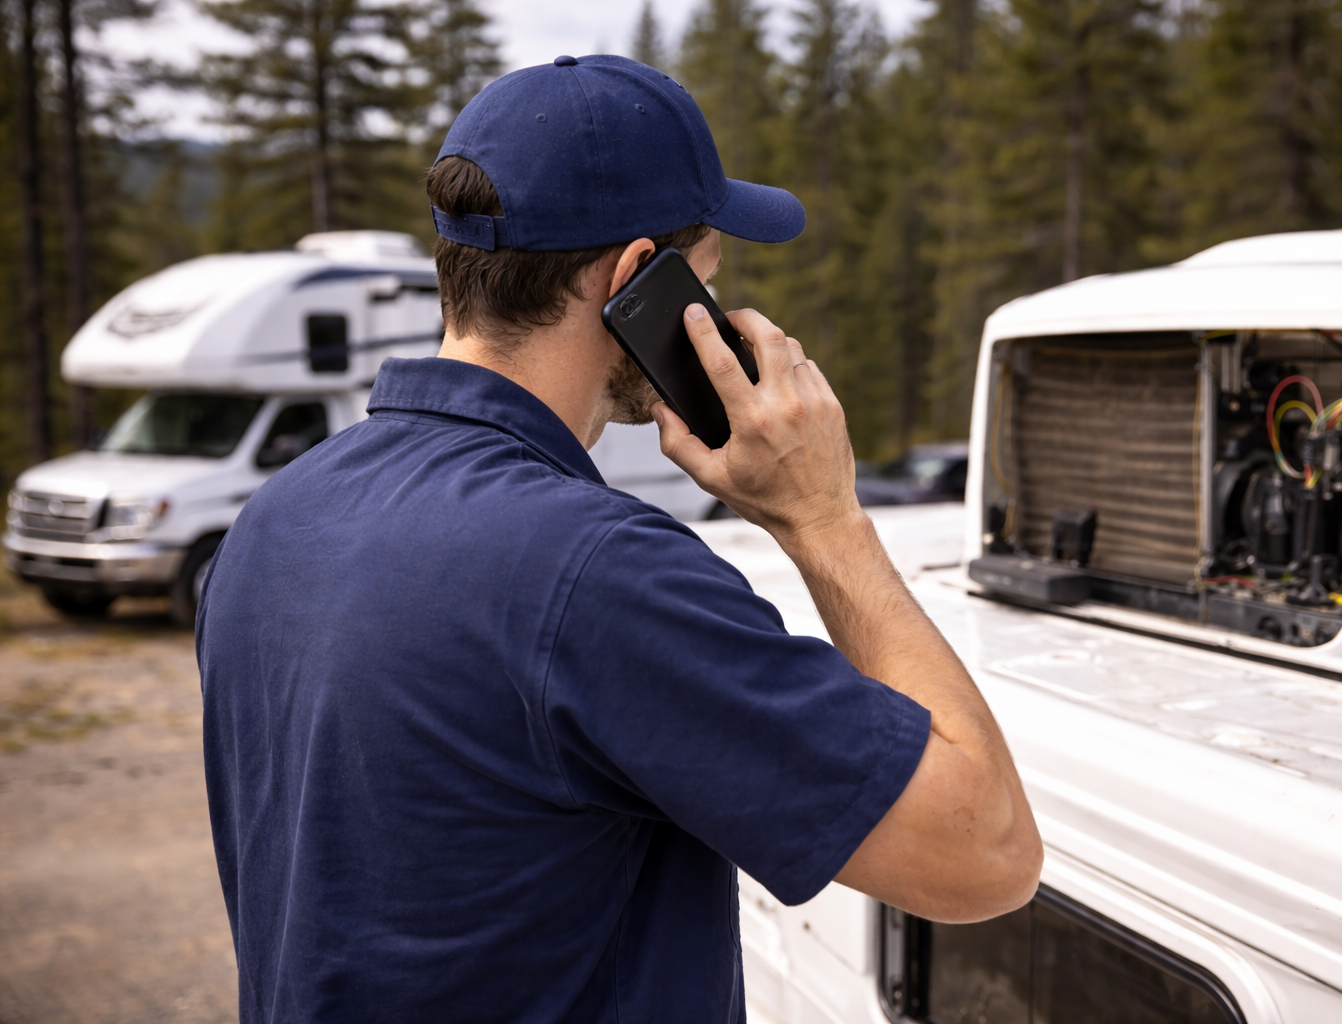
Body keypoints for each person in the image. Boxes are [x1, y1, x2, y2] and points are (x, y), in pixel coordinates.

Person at [198, 54, 1041, 1023]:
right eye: (710, 276)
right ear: (638, 278)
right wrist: (824, 517)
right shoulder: (598, 573)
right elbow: (987, 852)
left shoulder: (275, 518)